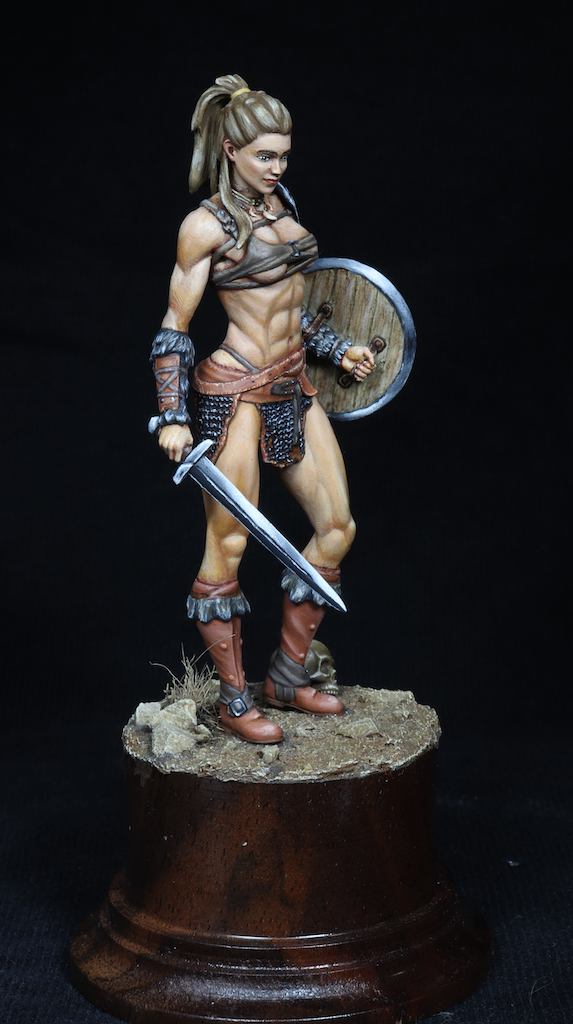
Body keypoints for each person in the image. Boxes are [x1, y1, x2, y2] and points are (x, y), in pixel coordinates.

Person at [149, 74, 375, 744]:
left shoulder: (283, 203)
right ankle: (233, 698)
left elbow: (293, 310)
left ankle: (286, 675)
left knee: (336, 527)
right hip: (235, 394)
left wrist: (336, 349)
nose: (277, 167)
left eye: (284, 155)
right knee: (228, 543)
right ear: (230, 150)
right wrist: (172, 414)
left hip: (292, 383)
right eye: (264, 156)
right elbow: (173, 327)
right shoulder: (204, 227)